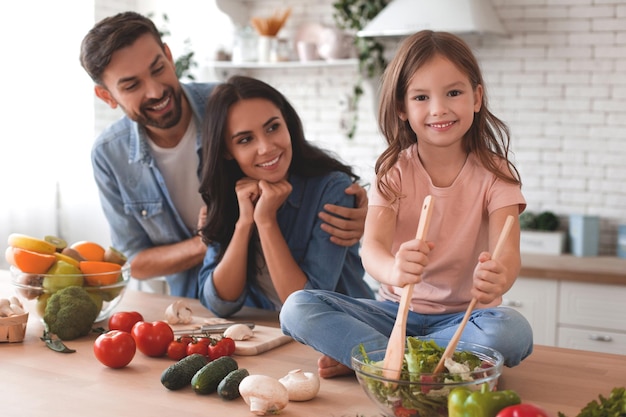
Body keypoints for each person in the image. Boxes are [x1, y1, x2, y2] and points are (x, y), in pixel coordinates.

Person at [280, 30, 533, 378]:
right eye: (421, 97)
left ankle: (376, 359)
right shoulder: (393, 174)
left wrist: (499, 277)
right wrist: (395, 271)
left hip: (467, 318)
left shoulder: (497, 174)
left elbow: (508, 252)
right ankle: (422, 364)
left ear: (476, 97)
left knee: (512, 332)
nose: (439, 109)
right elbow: (373, 251)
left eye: (454, 93)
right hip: (394, 314)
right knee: (297, 307)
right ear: (401, 107)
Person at [79, 11, 368, 298]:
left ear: (168, 56)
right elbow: (135, 262)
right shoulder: (109, 154)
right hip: (199, 306)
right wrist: (218, 234)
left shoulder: (227, 104)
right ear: (107, 96)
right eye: (131, 85)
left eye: (158, 69)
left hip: (276, 299)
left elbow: (292, 158)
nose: (155, 91)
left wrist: (355, 203)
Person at [196, 75, 374, 318]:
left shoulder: (332, 189)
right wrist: (245, 222)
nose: (266, 147)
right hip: (273, 336)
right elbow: (218, 303)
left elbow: (311, 308)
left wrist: (266, 220)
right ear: (227, 150)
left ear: (287, 123)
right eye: (246, 139)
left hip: (346, 334)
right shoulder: (230, 193)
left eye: (272, 127)